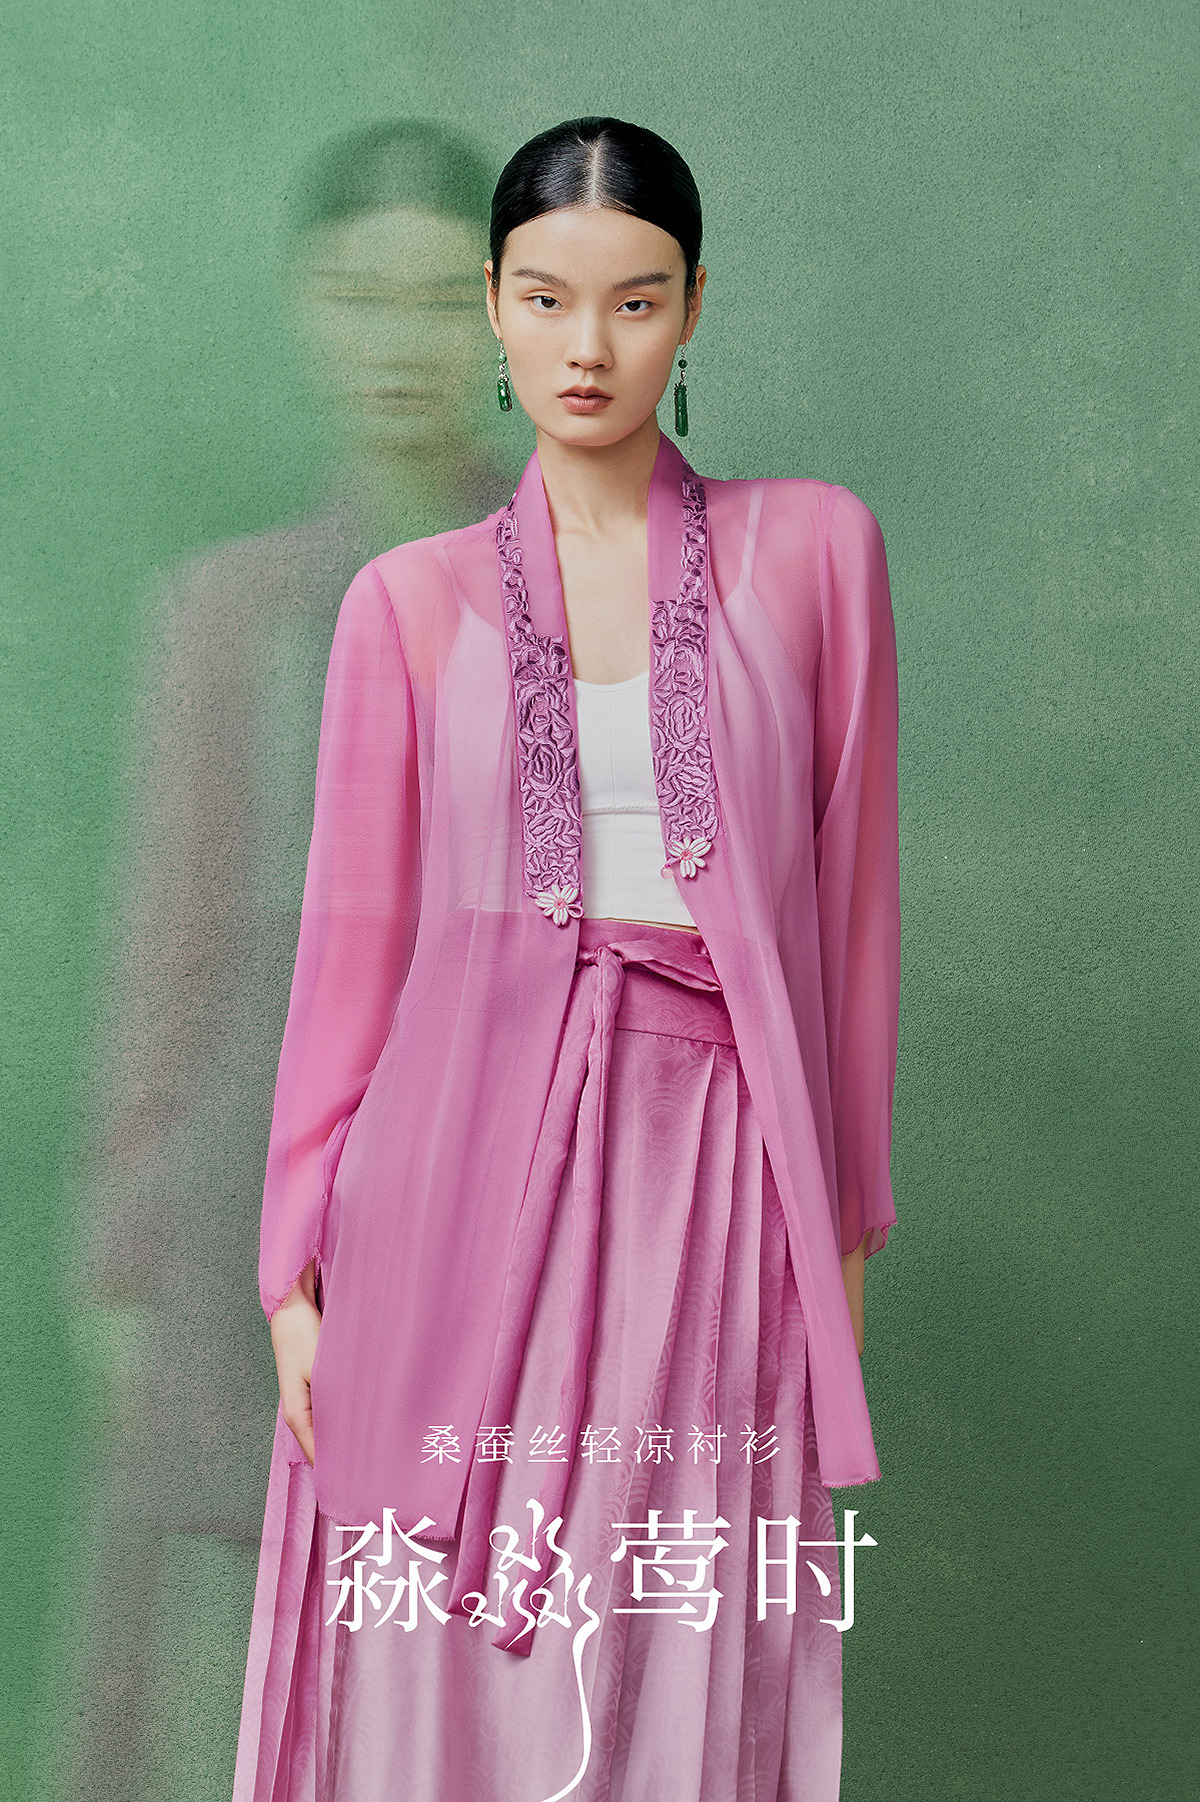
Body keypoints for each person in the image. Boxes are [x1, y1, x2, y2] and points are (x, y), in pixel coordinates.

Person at [234, 115, 900, 1802]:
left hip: (713, 1186)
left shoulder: (817, 554)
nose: (586, 346)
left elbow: (850, 932)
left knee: (675, 1660)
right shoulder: (405, 601)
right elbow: (348, 966)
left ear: (693, 308)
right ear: (494, 308)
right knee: (440, 1675)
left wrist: (839, 1241)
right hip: (447, 1177)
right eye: (544, 298)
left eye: (634, 299)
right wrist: (293, 1273)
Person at [57, 119, 512, 1802]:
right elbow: (165, 963)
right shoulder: (223, 616)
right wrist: (121, 1250)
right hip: (246, 1259)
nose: (399, 343)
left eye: (441, 300)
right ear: (305, 309)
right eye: (358, 296)